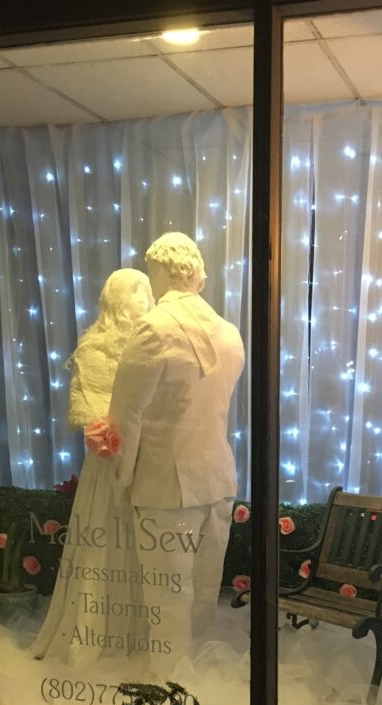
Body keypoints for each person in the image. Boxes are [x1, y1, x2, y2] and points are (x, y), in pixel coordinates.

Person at [106, 232, 245, 680]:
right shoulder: (230, 333)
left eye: (152, 271)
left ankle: (169, 688)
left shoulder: (154, 328)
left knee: (166, 596)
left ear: (163, 271)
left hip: (165, 485)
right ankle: (196, 677)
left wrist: (120, 480)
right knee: (203, 592)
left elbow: (126, 415)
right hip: (218, 479)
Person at [32, 268, 154, 661]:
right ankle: (94, 633)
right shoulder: (94, 350)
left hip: (147, 459)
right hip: (108, 464)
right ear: (119, 299)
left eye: (147, 293)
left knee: (142, 547)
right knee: (103, 541)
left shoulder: (153, 345)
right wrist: (113, 434)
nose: (146, 301)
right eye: (137, 293)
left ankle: (139, 636)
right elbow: (91, 408)